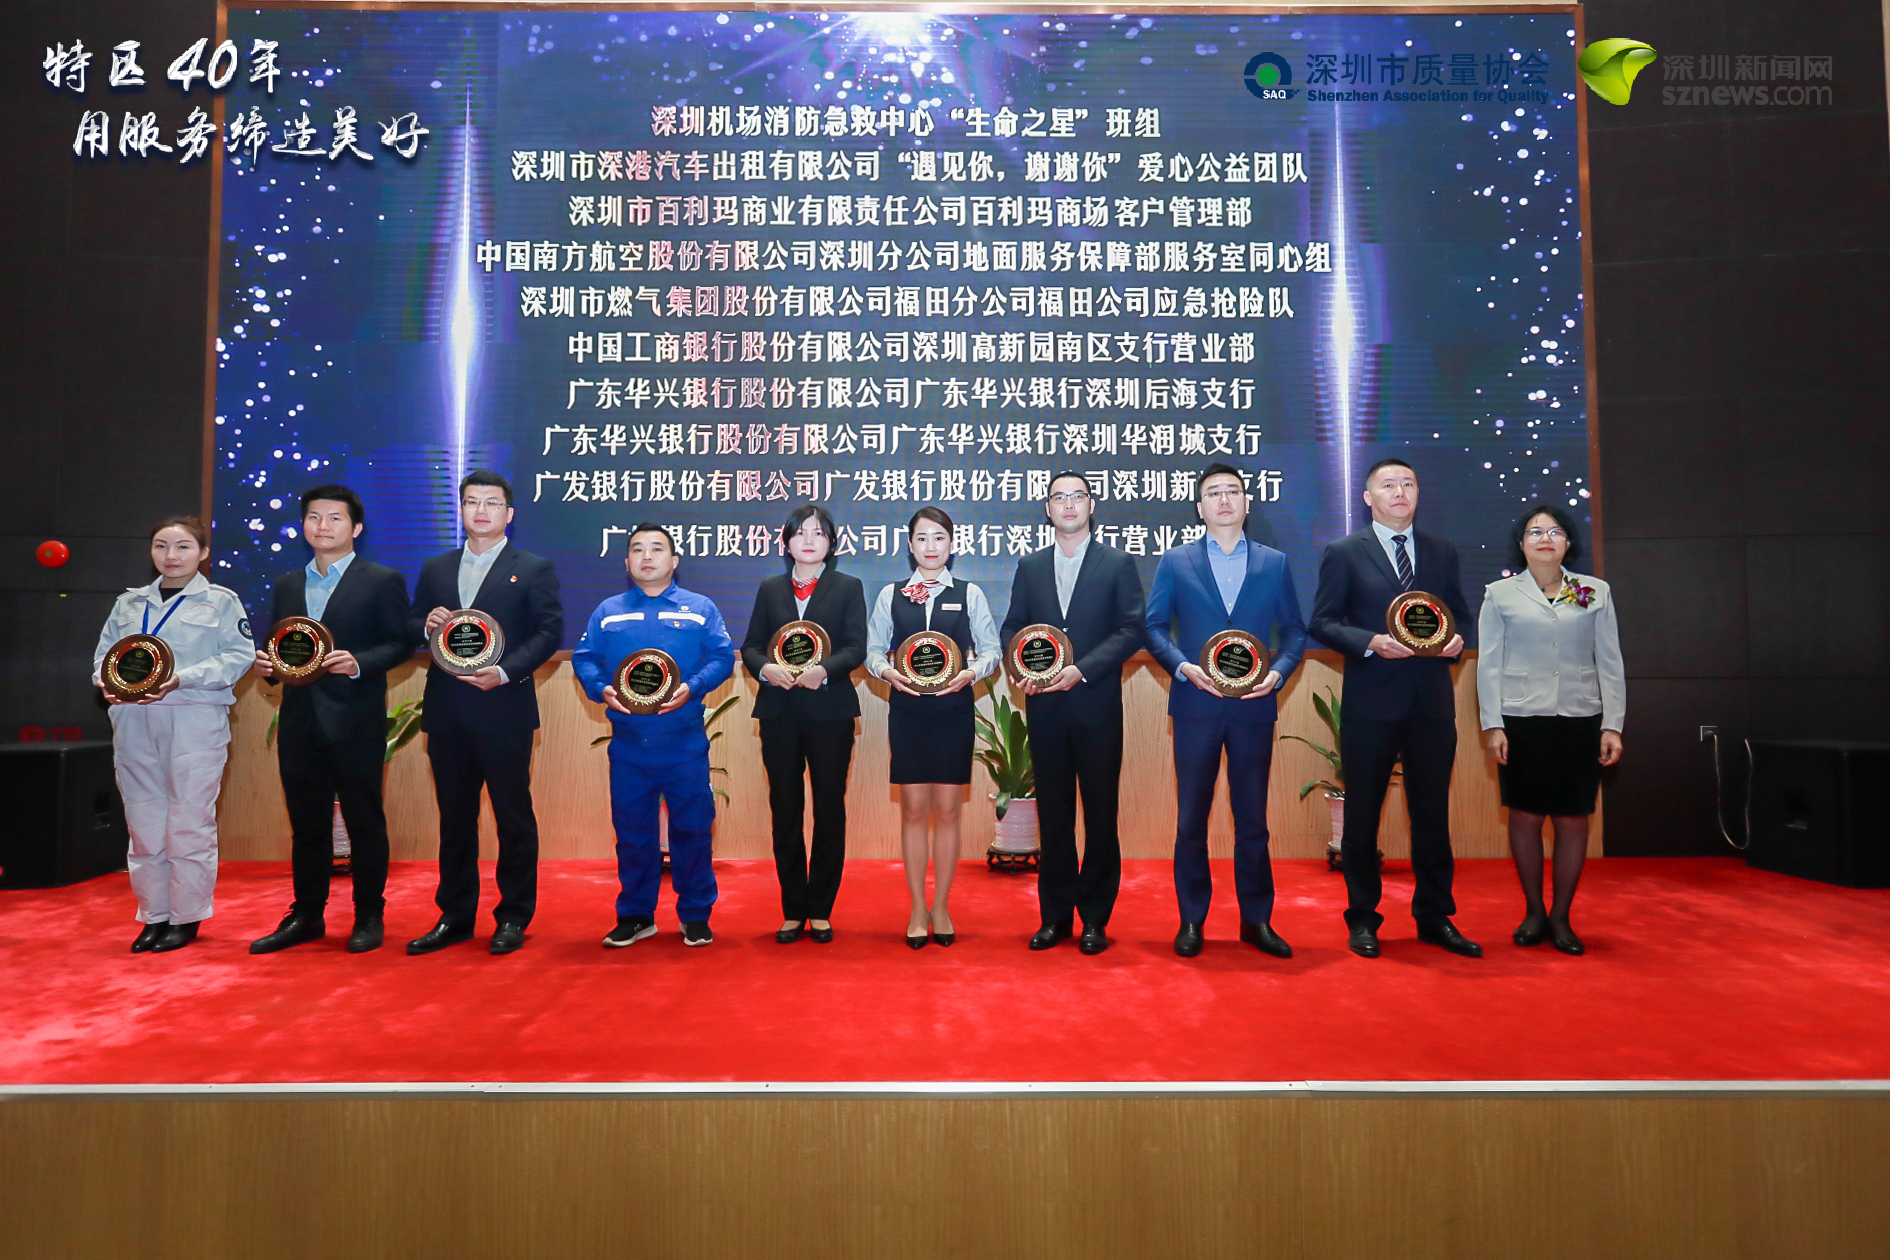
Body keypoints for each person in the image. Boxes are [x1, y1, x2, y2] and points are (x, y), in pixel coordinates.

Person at [1308, 458, 1479, 960]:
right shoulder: (1344, 552)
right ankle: (1363, 918)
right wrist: (1370, 642)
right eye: (1388, 484)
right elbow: (1323, 621)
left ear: (1418, 493)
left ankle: (1435, 917)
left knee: (1432, 815)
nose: (1400, 491)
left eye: (1408, 483)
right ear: (1368, 497)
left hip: (1431, 704)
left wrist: (1457, 641)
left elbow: (1460, 616)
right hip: (1371, 704)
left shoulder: (1442, 551)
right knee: (1362, 817)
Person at [1144, 464, 1307, 958]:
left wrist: (1279, 672)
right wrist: (1182, 667)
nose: (1223, 500)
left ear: (1246, 502)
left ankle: (1257, 920)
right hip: (1196, 704)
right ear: (1199, 507)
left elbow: (1294, 631)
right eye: (1213, 493)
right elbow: (1153, 627)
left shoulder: (1274, 563)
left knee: (1252, 820)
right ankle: (1192, 920)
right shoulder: (1176, 561)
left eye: (1232, 491)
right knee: (1191, 820)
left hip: (1254, 708)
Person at [403, 471, 563, 957]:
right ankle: (454, 916)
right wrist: (425, 624)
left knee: (513, 817)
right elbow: (412, 623)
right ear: (462, 510)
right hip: (447, 710)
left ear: (509, 514)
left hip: (504, 708)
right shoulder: (436, 567)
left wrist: (506, 672)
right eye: (472, 501)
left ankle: (513, 915)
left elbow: (548, 632)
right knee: (455, 819)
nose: (481, 510)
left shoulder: (532, 568)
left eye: (492, 503)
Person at [249, 485, 411, 955]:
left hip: (355, 719)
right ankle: (307, 914)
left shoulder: (381, 580)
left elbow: (401, 643)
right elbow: (282, 645)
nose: (323, 526)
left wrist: (359, 662)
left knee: (364, 821)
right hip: (299, 720)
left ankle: (369, 914)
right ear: (303, 525)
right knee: (307, 825)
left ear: (356, 528)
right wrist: (269, 667)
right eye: (314, 517)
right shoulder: (287, 584)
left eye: (335, 518)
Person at [91, 516, 255, 953]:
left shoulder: (221, 602)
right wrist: (105, 681)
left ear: (203, 553)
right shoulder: (129, 603)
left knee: (188, 821)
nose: (171, 555)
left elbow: (237, 657)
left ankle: (186, 917)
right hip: (133, 718)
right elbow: (104, 655)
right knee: (143, 821)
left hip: (193, 718)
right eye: (161, 546)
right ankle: (153, 915)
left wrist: (181, 678)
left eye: (183, 546)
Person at [999, 472, 1145, 955]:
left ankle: (1095, 919)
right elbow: (1013, 627)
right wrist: (1020, 666)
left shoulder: (1117, 563)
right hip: (1045, 709)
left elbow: (1131, 630)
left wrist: (1082, 670)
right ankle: (1055, 916)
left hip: (1096, 705)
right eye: (1059, 497)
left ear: (1091, 505)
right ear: (1047, 509)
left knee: (1101, 815)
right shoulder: (1031, 565)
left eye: (1077, 496)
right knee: (1054, 814)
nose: (1068, 505)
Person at [573, 523, 734, 948]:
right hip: (629, 747)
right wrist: (601, 689)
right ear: (626, 563)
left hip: (684, 745)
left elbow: (722, 658)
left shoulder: (699, 607)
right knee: (632, 834)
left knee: (693, 831)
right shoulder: (608, 611)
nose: (647, 556)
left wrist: (692, 687)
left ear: (674, 561)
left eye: (657, 548)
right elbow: (584, 657)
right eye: (638, 549)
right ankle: (636, 915)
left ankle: (695, 915)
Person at [1477, 504, 1625, 956]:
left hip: (1581, 717)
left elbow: (1610, 661)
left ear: (1568, 543)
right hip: (1521, 719)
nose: (1545, 538)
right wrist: (1492, 724)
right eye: (1535, 531)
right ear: (1521, 544)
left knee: (1572, 817)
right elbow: (1489, 664)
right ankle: (1533, 911)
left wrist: (1613, 725)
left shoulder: (1594, 591)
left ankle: (1561, 916)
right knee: (1525, 815)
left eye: (1555, 531)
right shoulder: (1499, 594)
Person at [866, 506, 1002, 948]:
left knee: (947, 810)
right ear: (910, 546)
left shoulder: (969, 594)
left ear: (952, 544)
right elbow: (873, 651)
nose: (930, 546)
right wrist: (888, 672)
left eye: (939, 538)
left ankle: (941, 906)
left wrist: (971, 674)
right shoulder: (891, 594)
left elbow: (991, 650)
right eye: (922, 538)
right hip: (907, 712)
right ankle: (916, 908)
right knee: (912, 810)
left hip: (953, 710)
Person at [740, 504, 868, 944]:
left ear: (831, 543)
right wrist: (764, 668)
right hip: (779, 713)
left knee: (829, 808)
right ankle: (793, 908)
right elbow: (751, 646)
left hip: (830, 712)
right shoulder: (769, 589)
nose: (809, 540)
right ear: (787, 542)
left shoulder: (848, 587)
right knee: (786, 809)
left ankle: (821, 909)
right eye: (800, 533)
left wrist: (824, 671)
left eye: (818, 533)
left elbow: (856, 647)